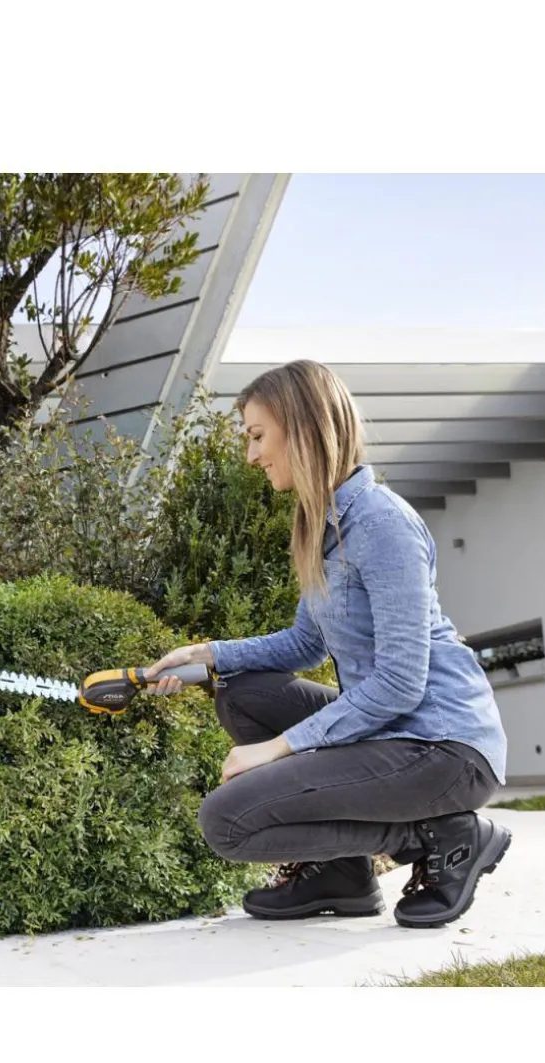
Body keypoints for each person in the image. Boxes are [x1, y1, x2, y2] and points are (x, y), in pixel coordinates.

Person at [145, 359, 511, 929]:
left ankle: (443, 835)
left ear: (303, 428)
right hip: (391, 732)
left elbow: (400, 683)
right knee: (243, 694)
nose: (252, 455)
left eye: (258, 436)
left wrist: (278, 748)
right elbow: (306, 644)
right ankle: (341, 875)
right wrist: (208, 654)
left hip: (442, 746)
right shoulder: (323, 524)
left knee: (227, 821)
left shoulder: (382, 523)